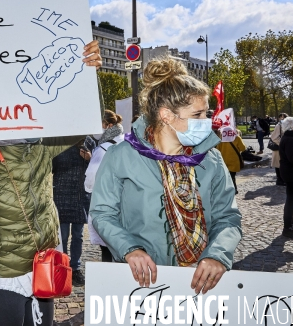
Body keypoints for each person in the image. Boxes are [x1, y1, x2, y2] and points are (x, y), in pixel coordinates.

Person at [0, 41, 102, 326]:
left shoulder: (40, 144)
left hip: (43, 270)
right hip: (1, 281)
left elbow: (86, 120)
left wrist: (88, 73)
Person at [91, 57, 242, 294]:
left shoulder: (212, 159)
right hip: (141, 284)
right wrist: (130, 248)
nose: (207, 121)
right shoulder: (121, 156)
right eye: (198, 114)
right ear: (167, 115)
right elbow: (102, 214)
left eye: (206, 113)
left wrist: (217, 255)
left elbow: (228, 217)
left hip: (200, 284)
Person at [81, 110, 124, 263]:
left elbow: (90, 181)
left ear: (108, 125)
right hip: (126, 203)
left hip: (106, 202)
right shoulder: (126, 141)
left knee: (106, 247)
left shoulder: (103, 148)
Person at [52, 140, 89, 286]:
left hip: (79, 195)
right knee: (63, 235)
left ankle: (75, 268)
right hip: (61, 194)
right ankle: (63, 267)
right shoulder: (58, 144)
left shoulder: (88, 142)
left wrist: (88, 158)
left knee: (78, 236)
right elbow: (51, 167)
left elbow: (94, 167)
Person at [215, 128, 246, 195]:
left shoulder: (221, 138)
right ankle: (234, 189)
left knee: (225, 176)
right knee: (232, 176)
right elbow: (243, 148)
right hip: (234, 161)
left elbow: (217, 150)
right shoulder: (236, 137)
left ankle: (228, 190)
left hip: (223, 160)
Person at [270, 113, 288, 186]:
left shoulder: (285, 126)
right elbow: (274, 137)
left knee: (282, 164)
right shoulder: (279, 125)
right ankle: (280, 180)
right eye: (281, 117)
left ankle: (282, 179)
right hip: (278, 148)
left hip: (283, 148)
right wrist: (282, 144)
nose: (282, 118)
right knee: (278, 164)